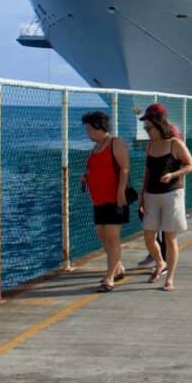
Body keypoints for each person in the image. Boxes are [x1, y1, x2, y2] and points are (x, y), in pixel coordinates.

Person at [140, 107, 192, 291]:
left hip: (172, 194)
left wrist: (173, 174)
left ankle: (169, 278)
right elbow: (147, 174)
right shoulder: (150, 146)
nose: (147, 132)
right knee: (149, 237)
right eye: (145, 129)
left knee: (170, 238)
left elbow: (191, 165)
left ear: (159, 126)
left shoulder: (174, 144)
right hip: (152, 195)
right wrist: (142, 197)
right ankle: (160, 263)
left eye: (149, 128)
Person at [80, 111, 132, 292]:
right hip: (99, 199)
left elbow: (125, 168)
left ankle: (109, 277)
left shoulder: (115, 143)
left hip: (113, 198)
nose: (87, 133)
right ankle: (118, 269)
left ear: (98, 126)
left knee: (112, 237)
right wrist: (86, 178)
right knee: (102, 235)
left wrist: (120, 192)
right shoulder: (96, 147)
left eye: (88, 129)